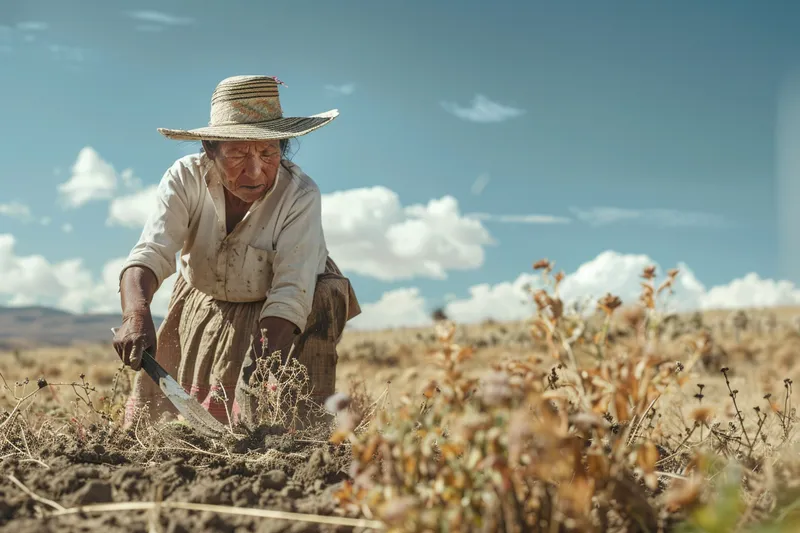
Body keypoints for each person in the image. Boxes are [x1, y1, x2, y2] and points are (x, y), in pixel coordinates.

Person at [112, 74, 361, 428]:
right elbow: (152, 251)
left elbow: (292, 291)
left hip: (285, 315)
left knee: (277, 427)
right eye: (238, 153)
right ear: (209, 150)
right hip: (206, 293)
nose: (255, 170)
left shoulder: (300, 195)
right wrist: (135, 316)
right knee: (170, 429)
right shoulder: (185, 178)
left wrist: (257, 372)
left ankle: (293, 440)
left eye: (267, 152)